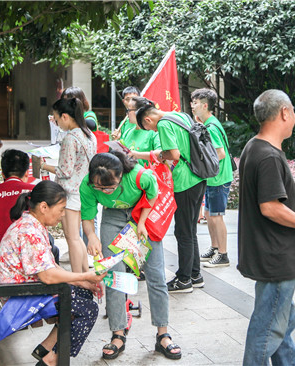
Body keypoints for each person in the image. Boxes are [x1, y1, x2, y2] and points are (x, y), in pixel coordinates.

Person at [237, 90, 295, 365]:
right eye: (293, 112)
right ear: (285, 112)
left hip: (271, 254)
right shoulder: (268, 156)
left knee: (282, 324)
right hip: (275, 257)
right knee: (268, 329)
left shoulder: (255, 146)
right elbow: (270, 207)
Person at [80, 151, 182, 360]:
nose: (105, 191)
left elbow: (153, 193)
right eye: (99, 188)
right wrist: (91, 236)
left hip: (142, 214)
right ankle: (118, 334)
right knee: (114, 277)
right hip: (112, 217)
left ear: (121, 175)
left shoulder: (139, 175)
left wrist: (142, 222)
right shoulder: (87, 185)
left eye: (110, 187)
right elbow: (88, 216)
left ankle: (163, 335)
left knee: (156, 274)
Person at [0, 180, 105, 366]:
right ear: (44, 207)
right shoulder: (29, 232)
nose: (63, 214)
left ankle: (46, 347)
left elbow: (50, 268)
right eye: (61, 209)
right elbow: (47, 276)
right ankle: (51, 360)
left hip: (29, 288)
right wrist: (85, 276)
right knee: (88, 311)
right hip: (23, 296)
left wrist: (82, 283)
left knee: (84, 293)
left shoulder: (32, 224)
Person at [135, 97, 207, 293]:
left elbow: (174, 154)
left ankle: (184, 280)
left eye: (150, 129)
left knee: (183, 232)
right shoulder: (180, 115)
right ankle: (195, 274)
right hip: (199, 177)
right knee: (190, 229)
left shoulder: (164, 124)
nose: (154, 131)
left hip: (184, 181)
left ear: (148, 120)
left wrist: (160, 155)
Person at [41, 98, 96, 273]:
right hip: (85, 191)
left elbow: (64, 171)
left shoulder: (70, 138)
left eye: (56, 120)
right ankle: (85, 276)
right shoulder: (89, 134)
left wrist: (43, 166)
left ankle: (78, 280)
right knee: (77, 238)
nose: (56, 124)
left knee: (72, 238)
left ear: (65, 116)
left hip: (71, 192)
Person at [0, 149, 59, 262]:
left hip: (0, 255)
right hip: (30, 255)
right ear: (27, 172)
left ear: (2, 173)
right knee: (53, 247)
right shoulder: (34, 191)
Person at [191, 88, 233, 268]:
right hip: (213, 178)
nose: (192, 106)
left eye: (195, 103)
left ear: (205, 105)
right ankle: (215, 247)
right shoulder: (210, 122)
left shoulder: (211, 127)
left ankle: (223, 254)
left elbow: (220, 153)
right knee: (209, 214)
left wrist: (204, 162)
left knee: (216, 216)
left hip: (218, 178)